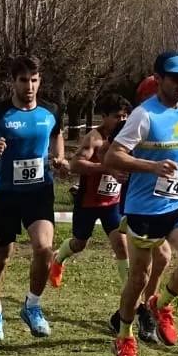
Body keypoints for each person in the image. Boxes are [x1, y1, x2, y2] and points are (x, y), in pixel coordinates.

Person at [106, 52, 178, 356]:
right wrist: (150, 166)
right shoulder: (143, 115)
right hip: (143, 209)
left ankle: (160, 304)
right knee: (138, 278)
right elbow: (113, 157)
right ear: (159, 79)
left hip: (176, 203)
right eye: (175, 77)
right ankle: (124, 336)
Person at [0, 56, 66, 341]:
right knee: (1, 257)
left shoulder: (50, 110)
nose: (29, 86)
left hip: (39, 191)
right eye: (23, 80)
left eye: (34, 80)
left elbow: (57, 134)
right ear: (13, 81)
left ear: (40, 81)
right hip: (5, 194)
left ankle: (32, 306)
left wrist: (58, 156)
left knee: (44, 249)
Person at [48, 95, 130, 288]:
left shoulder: (128, 138)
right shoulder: (95, 138)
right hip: (88, 201)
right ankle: (58, 259)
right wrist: (107, 168)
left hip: (113, 203)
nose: (122, 121)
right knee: (79, 243)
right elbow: (76, 164)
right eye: (117, 117)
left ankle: (130, 294)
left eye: (126, 116)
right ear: (104, 116)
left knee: (122, 246)